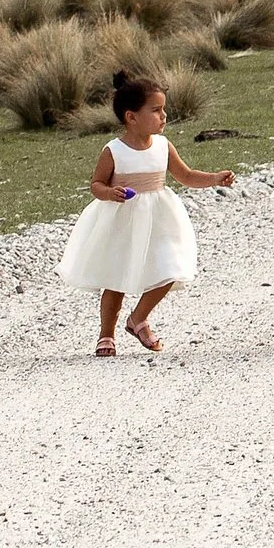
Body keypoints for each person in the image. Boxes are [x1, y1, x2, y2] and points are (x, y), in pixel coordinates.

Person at [59, 68, 235, 358]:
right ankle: (106, 335)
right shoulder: (113, 150)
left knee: (170, 268)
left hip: (158, 220)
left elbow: (186, 176)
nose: (164, 116)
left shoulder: (163, 146)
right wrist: (109, 193)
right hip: (122, 222)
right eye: (156, 110)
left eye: (163, 109)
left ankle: (138, 318)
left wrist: (215, 178)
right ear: (132, 117)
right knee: (116, 280)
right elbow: (96, 184)